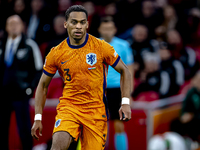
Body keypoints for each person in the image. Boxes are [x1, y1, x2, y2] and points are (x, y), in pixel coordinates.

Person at [31, 5, 132, 150]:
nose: (78, 26)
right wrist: (38, 118)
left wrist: (126, 102)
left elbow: (125, 71)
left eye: (82, 22)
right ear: (66, 24)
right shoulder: (56, 53)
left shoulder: (101, 47)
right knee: (58, 145)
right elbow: (42, 85)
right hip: (69, 108)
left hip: (95, 111)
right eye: (74, 22)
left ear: (87, 24)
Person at [0, 15, 43, 150]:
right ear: (6, 27)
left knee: (24, 127)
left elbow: (39, 69)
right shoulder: (1, 45)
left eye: (16, 23)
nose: (13, 26)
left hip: (21, 93)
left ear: (22, 26)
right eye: (10, 23)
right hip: (4, 93)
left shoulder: (30, 45)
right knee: (2, 128)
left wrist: (30, 88)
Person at [98, 16, 134, 150]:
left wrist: (128, 93)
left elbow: (130, 69)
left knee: (119, 124)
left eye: (110, 28)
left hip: (118, 89)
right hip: (99, 90)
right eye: (104, 28)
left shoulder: (123, 45)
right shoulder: (93, 46)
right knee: (100, 125)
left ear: (115, 30)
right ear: (100, 29)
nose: (107, 31)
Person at [171, 71, 200, 142]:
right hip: (192, 119)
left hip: (196, 118)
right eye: (197, 80)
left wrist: (192, 116)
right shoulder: (191, 92)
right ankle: (177, 143)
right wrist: (183, 116)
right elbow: (185, 107)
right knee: (175, 123)